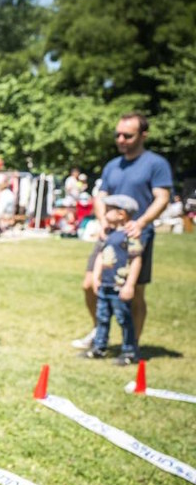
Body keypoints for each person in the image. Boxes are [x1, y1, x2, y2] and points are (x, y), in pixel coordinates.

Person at [72, 113, 173, 351]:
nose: (121, 139)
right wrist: (102, 221)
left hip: (137, 236)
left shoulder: (155, 164)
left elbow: (162, 197)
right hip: (109, 235)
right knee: (90, 284)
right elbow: (101, 196)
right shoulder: (112, 166)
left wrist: (142, 222)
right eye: (118, 135)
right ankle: (99, 331)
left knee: (134, 291)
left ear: (143, 135)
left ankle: (132, 345)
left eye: (127, 135)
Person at [82, 195, 143, 365]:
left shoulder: (129, 235)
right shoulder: (108, 233)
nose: (104, 213)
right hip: (105, 285)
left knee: (124, 319)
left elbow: (136, 260)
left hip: (119, 286)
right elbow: (101, 256)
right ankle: (99, 347)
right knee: (102, 317)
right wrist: (96, 277)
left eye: (108, 210)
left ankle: (129, 351)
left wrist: (130, 285)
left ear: (121, 214)